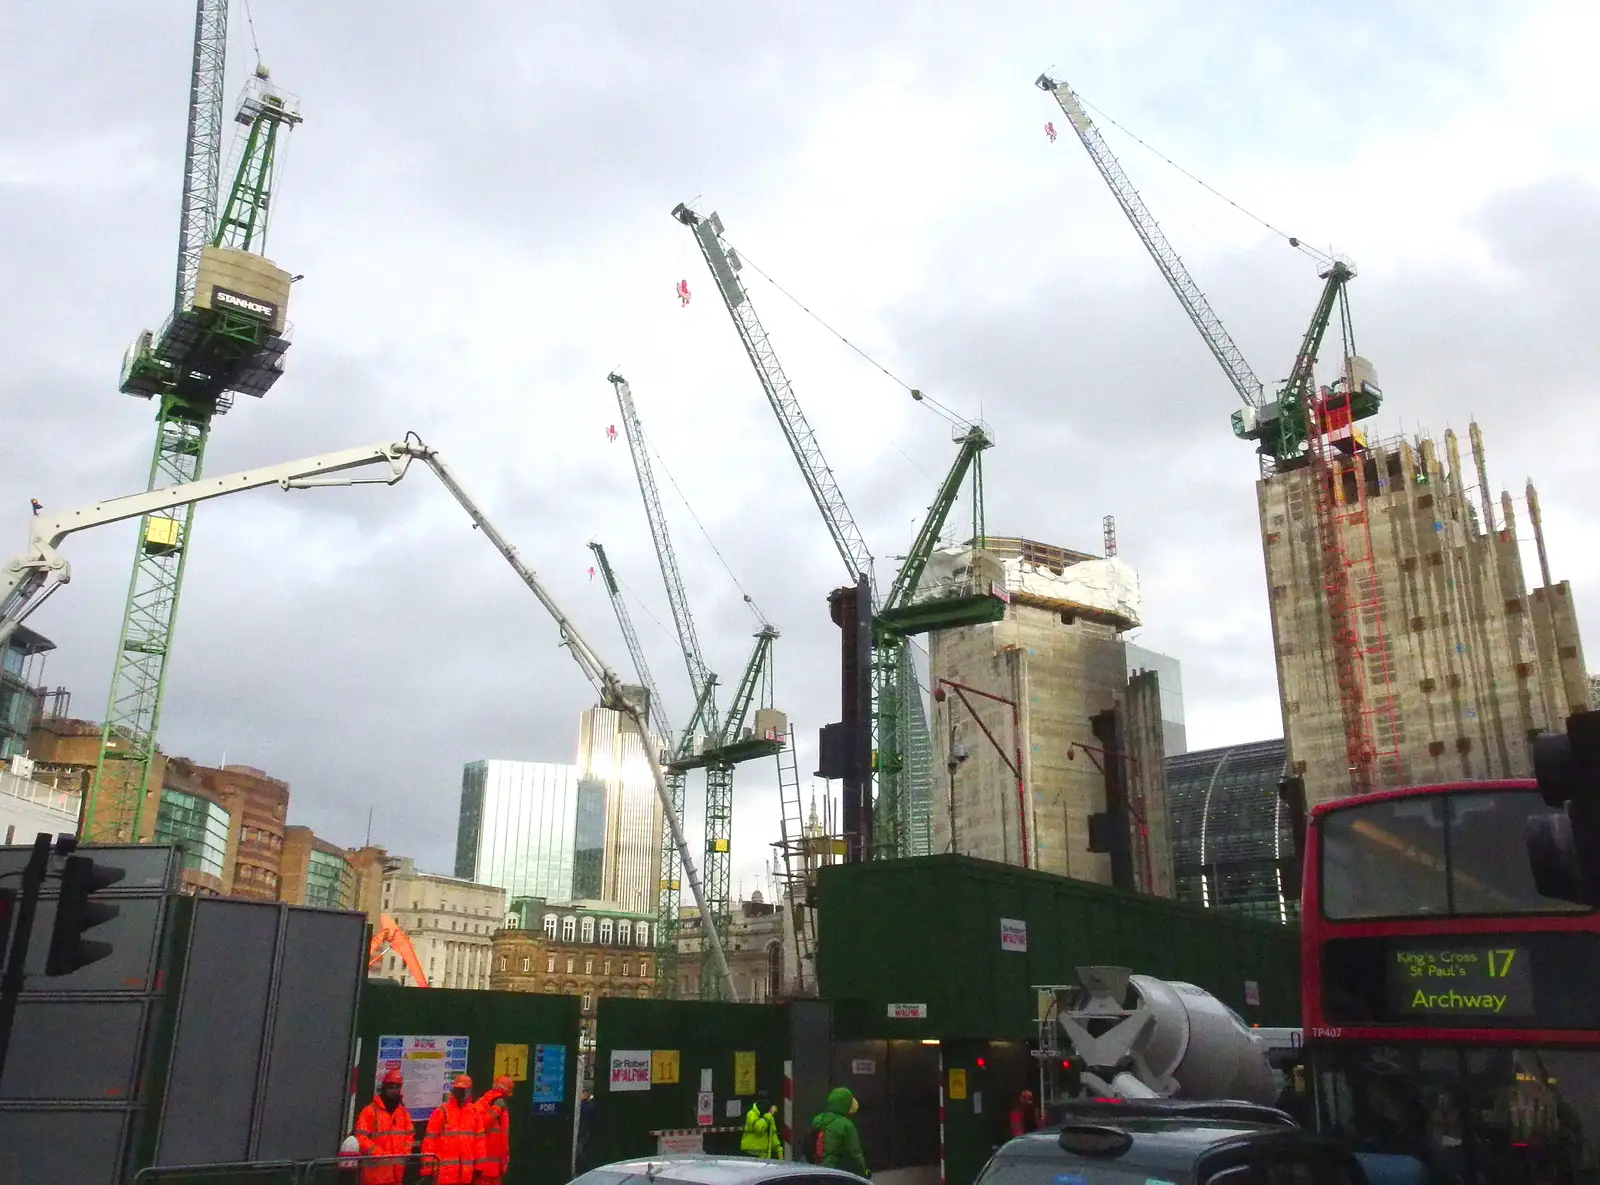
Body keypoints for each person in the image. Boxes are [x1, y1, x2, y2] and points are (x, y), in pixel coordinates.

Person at [422, 1073, 489, 1184]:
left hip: (466, 1175)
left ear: (470, 1091)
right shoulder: (442, 1112)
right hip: (444, 1175)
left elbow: (480, 1143)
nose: (461, 1094)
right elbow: (429, 1142)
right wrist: (427, 1170)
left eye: (464, 1090)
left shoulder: (474, 1114)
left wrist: (479, 1167)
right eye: (459, 1090)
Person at [353, 1068, 417, 1185]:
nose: (394, 1090)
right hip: (375, 1175)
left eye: (397, 1087)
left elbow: (410, 1135)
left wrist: (405, 1152)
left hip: (396, 1174)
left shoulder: (403, 1113)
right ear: (384, 1088)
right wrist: (377, 1153)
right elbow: (360, 1137)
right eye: (391, 1087)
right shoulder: (369, 1111)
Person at [811, 1086, 869, 1177]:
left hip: (814, 1169)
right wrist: (863, 1172)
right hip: (834, 1173)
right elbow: (855, 1154)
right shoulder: (846, 1125)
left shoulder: (818, 1119)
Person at [475, 1075, 514, 1182]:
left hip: (494, 1169)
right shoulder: (484, 1105)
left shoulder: (500, 1108)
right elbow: (479, 1125)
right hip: (485, 1169)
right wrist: (495, 1110)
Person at [741, 1092, 782, 1158]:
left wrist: (779, 1150)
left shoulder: (768, 1116)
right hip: (752, 1152)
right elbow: (758, 1129)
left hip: (763, 1154)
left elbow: (773, 1134)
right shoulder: (751, 1114)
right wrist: (769, 1114)